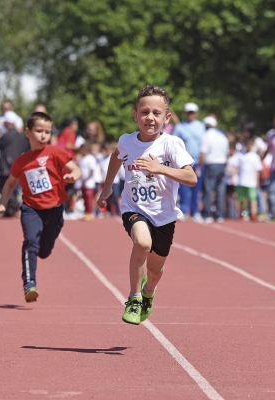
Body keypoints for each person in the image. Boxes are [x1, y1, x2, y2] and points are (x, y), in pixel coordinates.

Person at [97, 84, 197, 325]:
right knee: (142, 242)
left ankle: (148, 292)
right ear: (135, 115)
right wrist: (108, 186)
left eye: (156, 113)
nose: (150, 118)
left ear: (167, 117)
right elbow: (115, 157)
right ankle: (134, 298)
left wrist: (159, 168)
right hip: (134, 208)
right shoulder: (127, 141)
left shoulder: (172, 144)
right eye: (144, 112)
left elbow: (191, 178)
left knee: (154, 271)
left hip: (164, 215)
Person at [0, 112, 81, 302]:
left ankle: (38, 251)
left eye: (47, 132)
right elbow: (10, 183)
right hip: (31, 209)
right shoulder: (22, 161)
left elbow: (75, 168)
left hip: (55, 209)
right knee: (31, 241)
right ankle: (29, 283)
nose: (43, 136)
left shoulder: (55, 152)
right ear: (28, 133)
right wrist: (2, 204)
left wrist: (74, 176)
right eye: (39, 131)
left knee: (44, 251)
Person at [172, 102, 205, 221]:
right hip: (184, 163)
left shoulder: (202, 126)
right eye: (188, 112)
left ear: (196, 113)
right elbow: (173, 143)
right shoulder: (180, 127)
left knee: (197, 188)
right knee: (184, 188)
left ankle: (196, 211)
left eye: (192, 112)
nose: (190, 114)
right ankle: (184, 210)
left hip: (198, 162)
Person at [199, 115, 229, 223]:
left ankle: (206, 214)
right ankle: (219, 214)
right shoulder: (222, 136)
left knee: (208, 189)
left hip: (211, 165)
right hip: (222, 164)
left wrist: (199, 166)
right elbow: (227, 153)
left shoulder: (206, 136)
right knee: (220, 190)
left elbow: (203, 153)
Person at [236, 136, 262, 221]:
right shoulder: (241, 156)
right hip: (242, 180)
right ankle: (241, 213)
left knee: (252, 198)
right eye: (247, 144)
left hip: (251, 181)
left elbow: (257, 170)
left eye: (250, 144)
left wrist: (257, 182)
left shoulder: (255, 156)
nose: (249, 146)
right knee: (240, 198)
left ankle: (253, 213)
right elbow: (237, 168)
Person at [78, 142, 98, 221]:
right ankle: (86, 212)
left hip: (89, 183)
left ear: (85, 149)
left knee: (89, 198)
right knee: (84, 198)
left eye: (81, 149)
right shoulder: (82, 159)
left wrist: (86, 179)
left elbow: (92, 170)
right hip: (82, 182)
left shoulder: (91, 158)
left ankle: (90, 213)